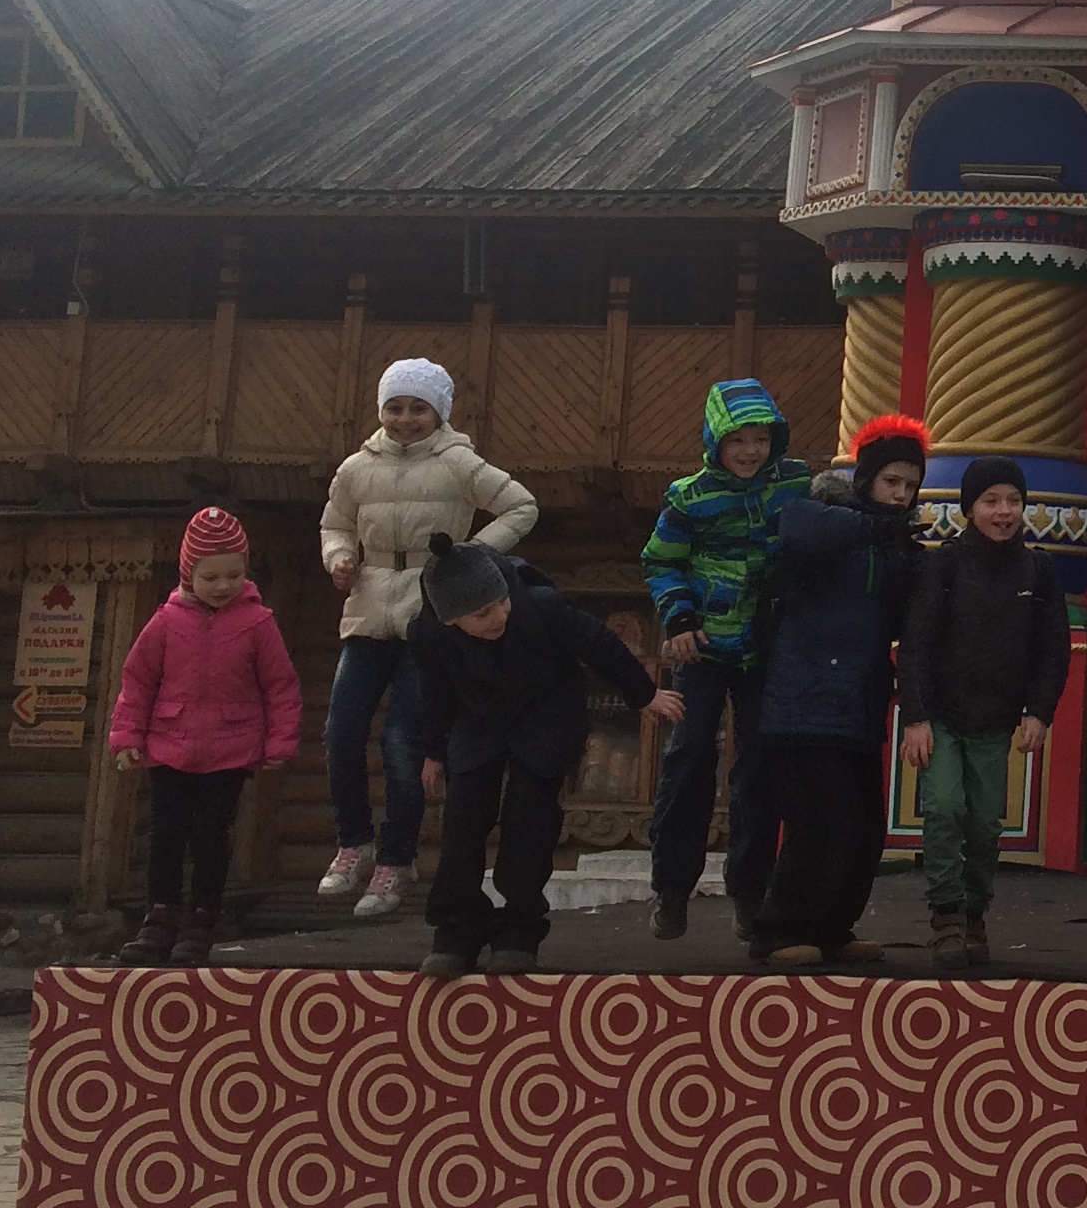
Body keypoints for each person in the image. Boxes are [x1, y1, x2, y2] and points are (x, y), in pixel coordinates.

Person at [315, 358, 537, 920]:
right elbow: (335, 524)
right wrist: (339, 558)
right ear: (381, 410)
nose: (406, 419)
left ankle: (397, 858)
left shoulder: (458, 462)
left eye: (419, 408)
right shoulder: (356, 468)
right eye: (395, 407)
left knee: (402, 743)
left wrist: (469, 559)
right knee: (341, 730)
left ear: (439, 413)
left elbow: (521, 504)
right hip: (367, 610)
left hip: (428, 613)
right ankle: (353, 842)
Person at [410, 532, 681, 978]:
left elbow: (600, 643)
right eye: (482, 614)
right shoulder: (427, 634)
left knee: (529, 820)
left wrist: (645, 695)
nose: (498, 616)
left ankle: (518, 932)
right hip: (478, 718)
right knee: (463, 818)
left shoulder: (540, 607)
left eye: (500, 603)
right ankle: (455, 931)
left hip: (546, 713)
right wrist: (433, 751)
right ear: (451, 620)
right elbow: (435, 691)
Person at [753, 415, 927, 970]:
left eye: (910, 485)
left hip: (858, 706)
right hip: (802, 704)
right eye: (891, 482)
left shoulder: (899, 547)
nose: (900, 495)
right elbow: (799, 532)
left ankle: (832, 926)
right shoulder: (816, 513)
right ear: (865, 480)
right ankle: (779, 930)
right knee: (815, 825)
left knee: (863, 829)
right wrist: (875, 529)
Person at [639, 379, 809, 942]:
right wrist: (679, 618)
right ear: (716, 441)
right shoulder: (689, 497)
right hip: (704, 645)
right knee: (690, 757)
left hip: (769, 646)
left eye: (760, 439)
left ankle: (749, 891)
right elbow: (661, 562)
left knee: (760, 767)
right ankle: (671, 889)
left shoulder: (795, 484)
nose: (750, 451)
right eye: (737, 440)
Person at [902, 455, 1072, 972]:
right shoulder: (944, 565)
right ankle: (946, 916)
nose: (1003, 512)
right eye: (991, 501)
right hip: (941, 718)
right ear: (969, 508)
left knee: (983, 824)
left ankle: (975, 914)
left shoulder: (1038, 570)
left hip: (996, 722)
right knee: (944, 808)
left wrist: (1039, 712)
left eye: (1013, 501)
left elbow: (1053, 650)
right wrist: (916, 717)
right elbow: (916, 643)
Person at [110, 509, 301, 964]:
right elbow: (138, 682)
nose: (222, 586)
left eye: (233, 575)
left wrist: (280, 741)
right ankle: (159, 917)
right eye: (210, 577)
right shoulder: (165, 623)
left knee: (212, 835)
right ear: (188, 574)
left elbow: (281, 686)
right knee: (166, 834)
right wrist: (127, 735)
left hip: (230, 751)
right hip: (170, 748)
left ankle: (201, 919)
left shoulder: (257, 624)